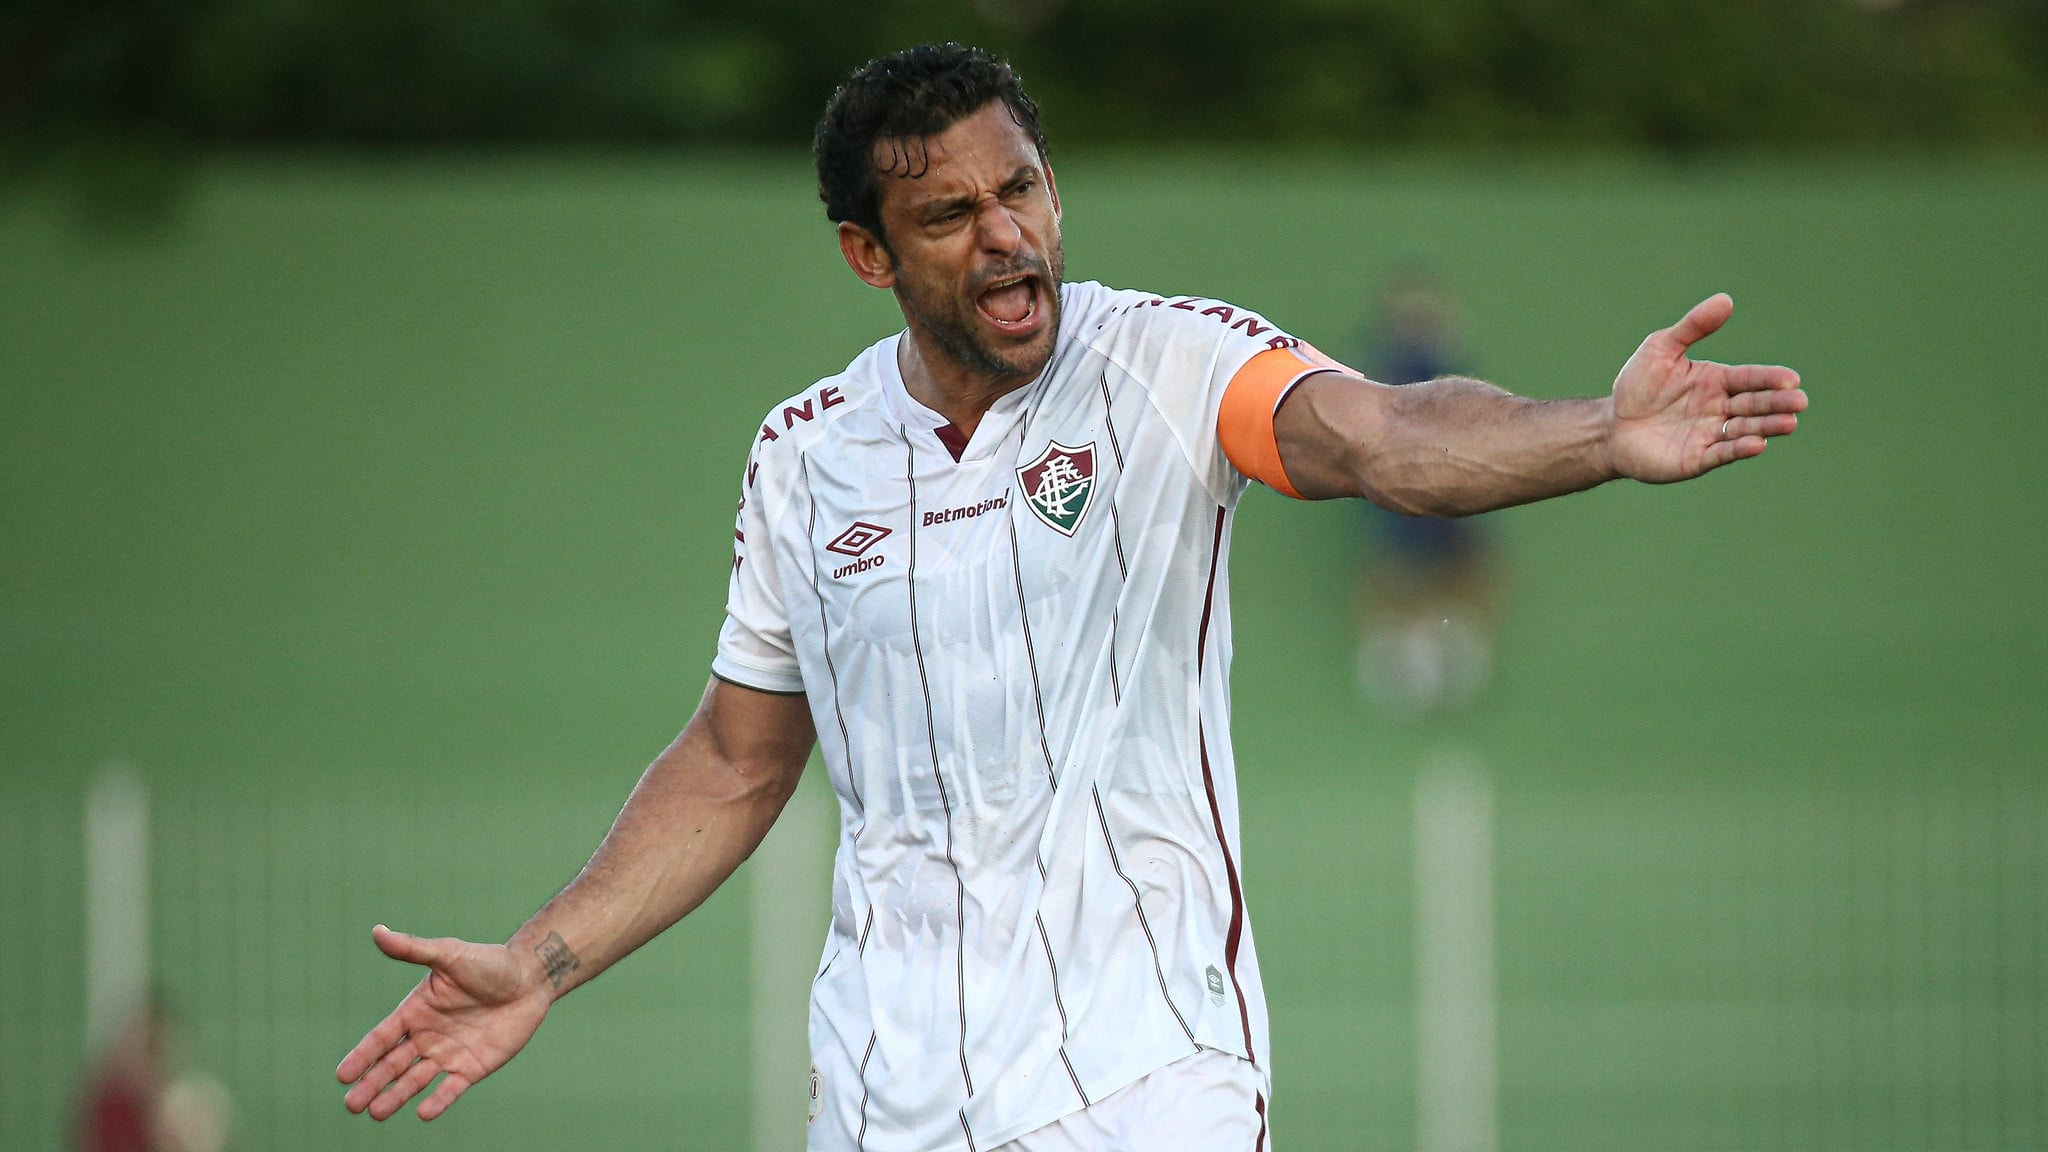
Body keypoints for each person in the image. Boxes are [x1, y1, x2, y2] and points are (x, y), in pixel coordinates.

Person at [335, 43, 1806, 1152]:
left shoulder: (1168, 366)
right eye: (950, 214)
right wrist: (541, 964)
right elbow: (734, 762)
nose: (1007, 236)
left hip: (1147, 1085)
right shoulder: (803, 457)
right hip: (884, 1096)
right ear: (867, 254)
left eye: (1022, 188)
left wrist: (1596, 435)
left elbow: (1384, 438)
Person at [1351, 265, 1499, 717]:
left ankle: (1452, 648)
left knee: (1457, 564)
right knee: (1400, 565)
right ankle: (1398, 652)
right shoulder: (1390, 369)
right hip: (1400, 481)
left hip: (1447, 481)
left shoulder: (1445, 367)